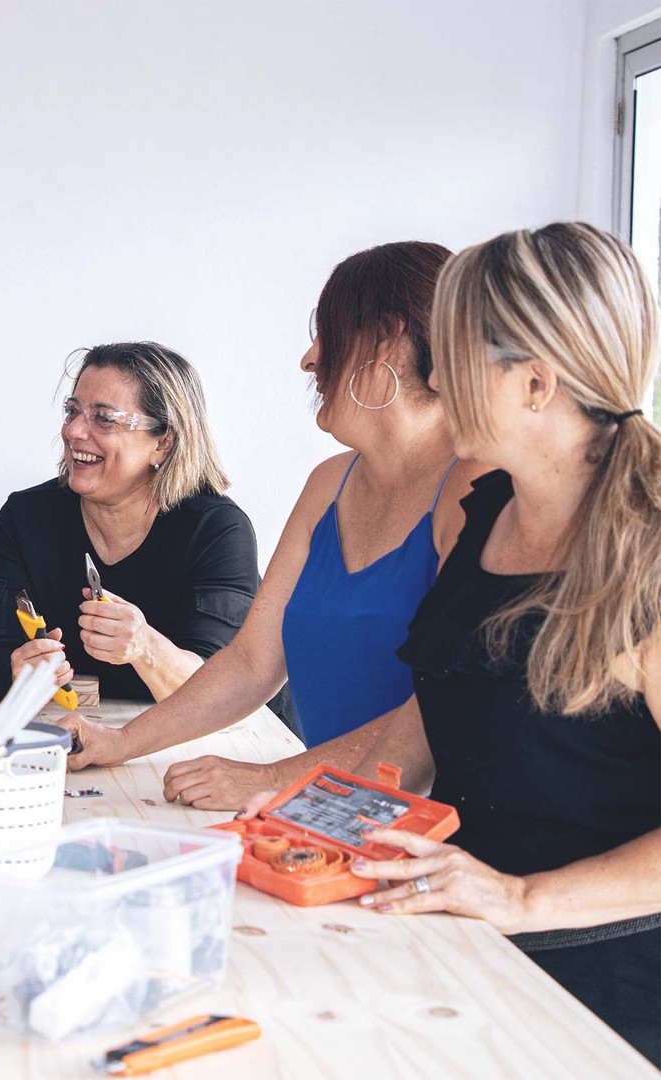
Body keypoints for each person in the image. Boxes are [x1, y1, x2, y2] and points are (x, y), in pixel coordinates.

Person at [303, 223, 659, 1064]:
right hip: (460, 955)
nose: (431, 379)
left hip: (606, 998)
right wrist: (307, 817)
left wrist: (524, 897)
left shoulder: (647, 557)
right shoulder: (485, 513)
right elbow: (435, 716)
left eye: (453, 357)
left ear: (535, 384)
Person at [55, 242, 485, 805]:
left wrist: (273, 779)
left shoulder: (474, 485)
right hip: (333, 815)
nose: (309, 359)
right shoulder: (328, 483)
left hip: (437, 838)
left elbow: (445, 710)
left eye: (326, 331)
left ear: (385, 339)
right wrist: (120, 743)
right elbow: (253, 662)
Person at [0, 342, 285, 718]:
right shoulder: (25, 518)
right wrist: (18, 674)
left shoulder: (217, 530)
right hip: (87, 733)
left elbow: (226, 693)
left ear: (164, 442)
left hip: (228, 745)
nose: (73, 431)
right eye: (72, 411)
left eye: (103, 418)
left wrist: (146, 648)